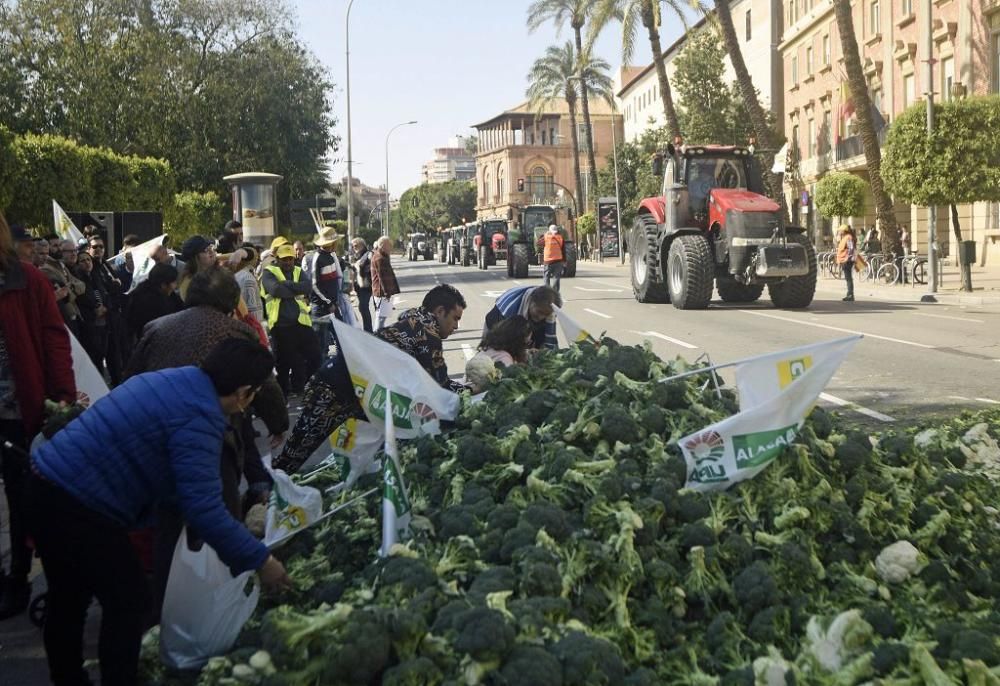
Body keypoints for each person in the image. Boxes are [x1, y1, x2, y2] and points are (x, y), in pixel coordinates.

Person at [28, 338, 291, 685]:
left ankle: (68, 678)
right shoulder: (200, 414)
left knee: (69, 597)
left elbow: (174, 480)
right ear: (244, 393)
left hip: (46, 482)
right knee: (128, 600)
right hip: (80, 504)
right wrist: (261, 561)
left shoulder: (176, 380)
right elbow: (204, 508)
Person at [126, 267, 288, 619]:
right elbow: (265, 383)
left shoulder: (157, 327)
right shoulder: (236, 331)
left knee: (168, 523)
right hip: (211, 437)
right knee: (217, 514)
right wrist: (278, 423)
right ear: (232, 302)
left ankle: (165, 605)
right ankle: (215, 603)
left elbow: (130, 376)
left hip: (156, 439)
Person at [275, 284, 468, 473]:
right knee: (293, 457)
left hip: (359, 393)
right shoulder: (427, 332)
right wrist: (470, 391)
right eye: (455, 319)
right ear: (440, 311)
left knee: (376, 449)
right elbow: (438, 387)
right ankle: (263, 495)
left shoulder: (413, 319)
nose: (456, 327)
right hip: (333, 390)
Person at [0, 212, 77, 620]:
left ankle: (19, 578)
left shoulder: (26, 280)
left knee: (23, 498)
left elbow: (53, 338)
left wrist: (62, 396)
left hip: (18, 410)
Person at [261, 243, 321, 395]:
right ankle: (289, 392)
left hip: (301, 322)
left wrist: (287, 284)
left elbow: (307, 288)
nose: (288, 262)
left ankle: (303, 387)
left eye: (290, 259)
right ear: (278, 260)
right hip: (280, 325)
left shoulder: (298, 270)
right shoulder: (269, 272)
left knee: (315, 355)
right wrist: (295, 289)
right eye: (284, 259)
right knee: (286, 362)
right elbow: (275, 290)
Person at [306, 227, 347, 355]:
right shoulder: (317, 258)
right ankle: (320, 372)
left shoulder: (331, 256)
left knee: (343, 339)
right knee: (321, 345)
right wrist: (328, 303)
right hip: (321, 309)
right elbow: (314, 285)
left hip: (333, 306)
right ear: (331, 243)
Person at [484, 285, 561, 351]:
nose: (541, 317)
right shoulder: (510, 310)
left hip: (526, 323)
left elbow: (548, 342)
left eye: (546, 314)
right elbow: (506, 344)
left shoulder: (550, 311)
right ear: (531, 302)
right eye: (539, 312)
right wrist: (525, 352)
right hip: (497, 327)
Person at [465, 315, 532, 390]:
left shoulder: (490, 347)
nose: (526, 348)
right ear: (518, 343)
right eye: (527, 343)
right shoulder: (505, 360)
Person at [123, 262, 183, 341]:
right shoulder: (155, 303)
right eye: (174, 282)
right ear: (163, 285)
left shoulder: (140, 292)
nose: (176, 285)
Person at [74, 250, 112, 371]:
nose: (87, 263)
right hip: (90, 324)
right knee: (93, 357)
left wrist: (105, 307)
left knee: (101, 354)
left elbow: (106, 295)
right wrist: (94, 310)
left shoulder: (97, 277)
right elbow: (80, 302)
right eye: (82, 261)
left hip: (104, 322)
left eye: (88, 259)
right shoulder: (78, 280)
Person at [371, 236, 400, 331]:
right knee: (380, 318)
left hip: (382, 293)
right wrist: (387, 293)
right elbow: (381, 278)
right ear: (383, 246)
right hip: (382, 293)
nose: (391, 248)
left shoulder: (382, 256)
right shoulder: (380, 258)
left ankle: (377, 337)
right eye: (389, 245)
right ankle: (376, 338)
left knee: (381, 317)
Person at [234, 245, 264, 325]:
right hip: (250, 325)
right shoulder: (248, 278)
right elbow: (252, 309)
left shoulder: (237, 275)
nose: (258, 261)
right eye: (257, 258)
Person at [351, 237, 374, 332]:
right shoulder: (354, 256)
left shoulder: (368, 255)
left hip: (366, 286)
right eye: (353, 246)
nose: (354, 248)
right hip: (358, 287)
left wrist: (358, 267)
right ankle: (367, 330)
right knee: (362, 308)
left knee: (363, 307)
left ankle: (368, 331)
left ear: (362, 245)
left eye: (356, 246)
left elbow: (370, 270)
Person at [836, 224, 857, 303]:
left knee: (848, 278)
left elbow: (851, 248)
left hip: (847, 260)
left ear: (844, 231)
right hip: (844, 260)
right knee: (848, 278)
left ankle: (850, 295)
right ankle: (849, 294)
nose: (839, 232)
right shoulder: (845, 237)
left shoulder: (848, 237)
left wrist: (847, 258)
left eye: (840, 231)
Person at [542, 224, 566, 291]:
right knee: (556, 278)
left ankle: (547, 291)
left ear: (549, 230)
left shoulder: (545, 237)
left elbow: (538, 243)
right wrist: (564, 260)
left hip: (548, 261)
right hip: (558, 261)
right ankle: (555, 293)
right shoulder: (560, 237)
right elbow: (563, 250)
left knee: (546, 276)